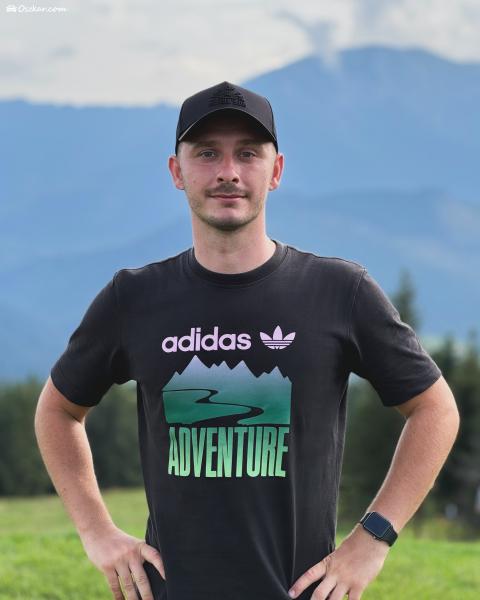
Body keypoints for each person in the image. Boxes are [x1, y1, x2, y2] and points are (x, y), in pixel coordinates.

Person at [35, 80, 460, 600]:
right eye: (207, 153)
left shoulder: (339, 291)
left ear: (275, 171)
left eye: (248, 153)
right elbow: (57, 411)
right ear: (176, 172)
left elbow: (435, 410)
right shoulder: (134, 298)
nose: (228, 172)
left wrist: (373, 539)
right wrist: (96, 531)